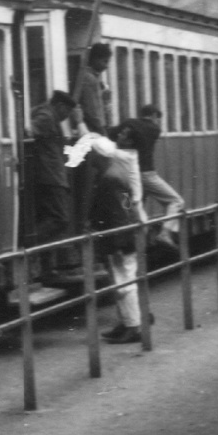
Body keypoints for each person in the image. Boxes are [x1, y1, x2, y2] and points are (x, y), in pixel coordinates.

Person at [67, 131, 145, 342]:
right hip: (122, 236)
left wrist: (119, 240)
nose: (89, 158)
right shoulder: (117, 172)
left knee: (123, 283)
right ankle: (127, 323)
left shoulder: (110, 178)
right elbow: (127, 206)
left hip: (118, 239)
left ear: (100, 156)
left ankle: (134, 327)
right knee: (122, 282)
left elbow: (121, 211)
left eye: (91, 154)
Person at [116, 104, 184, 247]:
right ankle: (165, 233)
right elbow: (150, 131)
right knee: (176, 201)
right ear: (153, 116)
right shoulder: (154, 129)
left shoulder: (128, 123)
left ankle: (131, 244)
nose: (158, 122)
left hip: (125, 177)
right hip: (145, 176)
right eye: (158, 119)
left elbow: (113, 133)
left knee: (130, 209)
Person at [28, 90, 78, 280]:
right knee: (60, 219)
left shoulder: (46, 113)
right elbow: (30, 129)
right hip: (50, 176)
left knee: (50, 219)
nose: (67, 117)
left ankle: (46, 268)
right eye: (67, 112)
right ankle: (31, 250)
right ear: (61, 107)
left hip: (50, 175)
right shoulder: (47, 115)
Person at [73, 43, 112, 135]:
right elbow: (93, 112)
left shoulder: (87, 76)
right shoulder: (90, 79)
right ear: (95, 59)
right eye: (105, 61)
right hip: (93, 130)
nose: (106, 66)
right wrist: (103, 131)